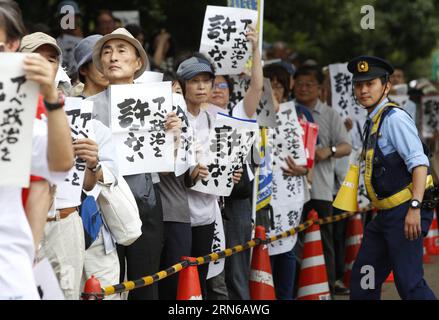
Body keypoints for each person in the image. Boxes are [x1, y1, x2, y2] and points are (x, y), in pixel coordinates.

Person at [88, 27, 181, 300]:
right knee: (106, 281)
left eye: (121, 50)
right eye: (107, 51)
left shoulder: (158, 103)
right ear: (101, 64)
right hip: (102, 199)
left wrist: (172, 138)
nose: (113, 57)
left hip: (146, 197)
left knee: (144, 280)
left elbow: (165, 168)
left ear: (138, 62)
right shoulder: (85, 107)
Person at [347, 55, 437, 300]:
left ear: (386, 86)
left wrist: (415, 208)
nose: (363, 90)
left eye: (370, 84)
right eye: (358, 84)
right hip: (386, 214)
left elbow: (419, 164)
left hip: (405, 211)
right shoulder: (374, 119)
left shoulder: (394, 119)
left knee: (409, 283)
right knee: (364, 277)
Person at [0, 0, 73, 299]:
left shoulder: (16, 110)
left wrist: (51, 101)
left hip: (8, 269)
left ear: (13, 44)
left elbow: (59, 164)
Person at [206, 28, 262, 300]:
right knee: (210, 268)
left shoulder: (238, 113)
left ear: (230, 91)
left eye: (222, 85)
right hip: (206, 200)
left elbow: (257, 87)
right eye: (211, 85)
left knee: (237, 265)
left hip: (236, 200)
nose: (217, 90)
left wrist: (254, 51)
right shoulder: (196, 116)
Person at [293, 65, 352, 296]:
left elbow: (346, 146)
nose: (304, 88)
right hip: (292, 191)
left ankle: (325, 287)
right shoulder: (287, 112)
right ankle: (299, 286)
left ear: (319, 88)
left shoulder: (330, 114)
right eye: (299, 84)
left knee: (323, 239)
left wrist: (329, 150)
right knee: (292, 241)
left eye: (309, 84)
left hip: (320, 189)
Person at [73, 34, 121, 300]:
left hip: (108, 222)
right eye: (99, 56)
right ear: (82, 69)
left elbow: (103, 176)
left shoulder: (135, 98)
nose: (107, 62)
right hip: (63, 225)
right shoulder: (73, 110)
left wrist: (95, 165)